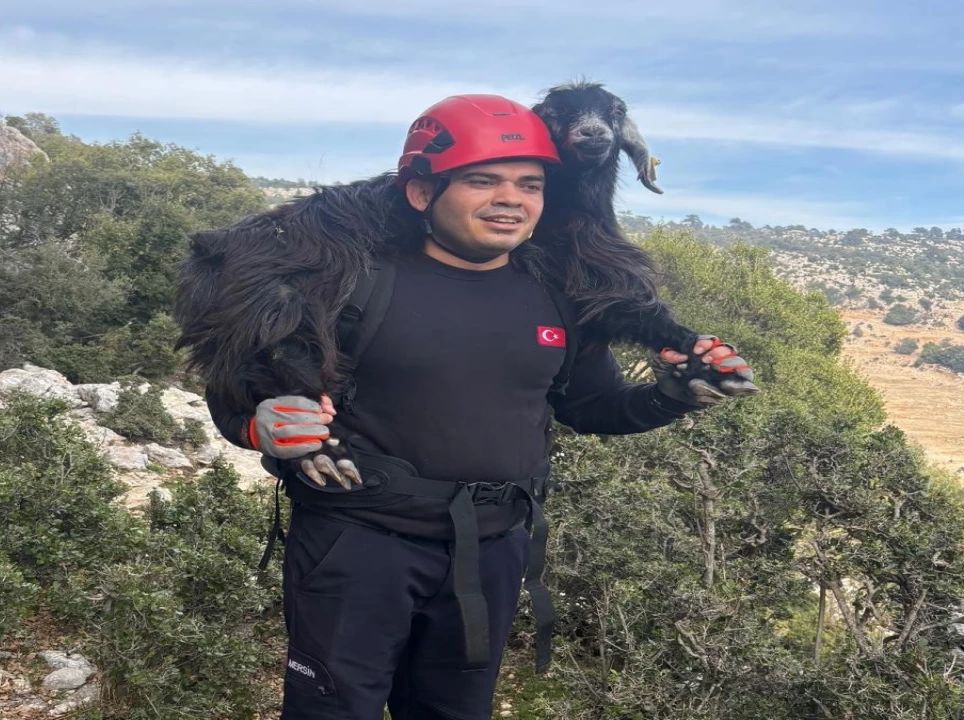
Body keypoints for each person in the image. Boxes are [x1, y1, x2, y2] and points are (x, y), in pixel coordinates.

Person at [205, 95, 752, 720]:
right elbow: (237, 386)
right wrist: (259, 425)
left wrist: (672, 396)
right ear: (419, 194)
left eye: (530, 184)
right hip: (356, 548)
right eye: (481, 180)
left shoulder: (558, 295)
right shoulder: (348, 281)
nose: (510, 199)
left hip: (490, 551)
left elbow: (594, 405)